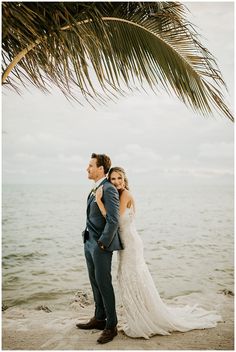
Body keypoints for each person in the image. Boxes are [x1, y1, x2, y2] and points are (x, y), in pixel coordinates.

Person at [95, 166, 222, 339]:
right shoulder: (119, 195)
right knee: (129, 279)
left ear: (125, 179)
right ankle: (139, 318)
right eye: (113, 179)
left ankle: (143, 320)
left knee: (132, 279)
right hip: (128, 243)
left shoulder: (125, 195)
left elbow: (114, 221)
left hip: (131, 244)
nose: (116, 182)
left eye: (119, 178)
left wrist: (99, 201)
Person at [76, 154, 123, 344]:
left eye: (90, 165)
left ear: (101, 168)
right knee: (94, 281)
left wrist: (102, 243)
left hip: (100, 245)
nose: (87, 169)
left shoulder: (109, 189)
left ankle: (111, 326)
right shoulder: (94, 188)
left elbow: (113, 220)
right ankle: (99, 318)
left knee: (104, 283)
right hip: (89, 242)